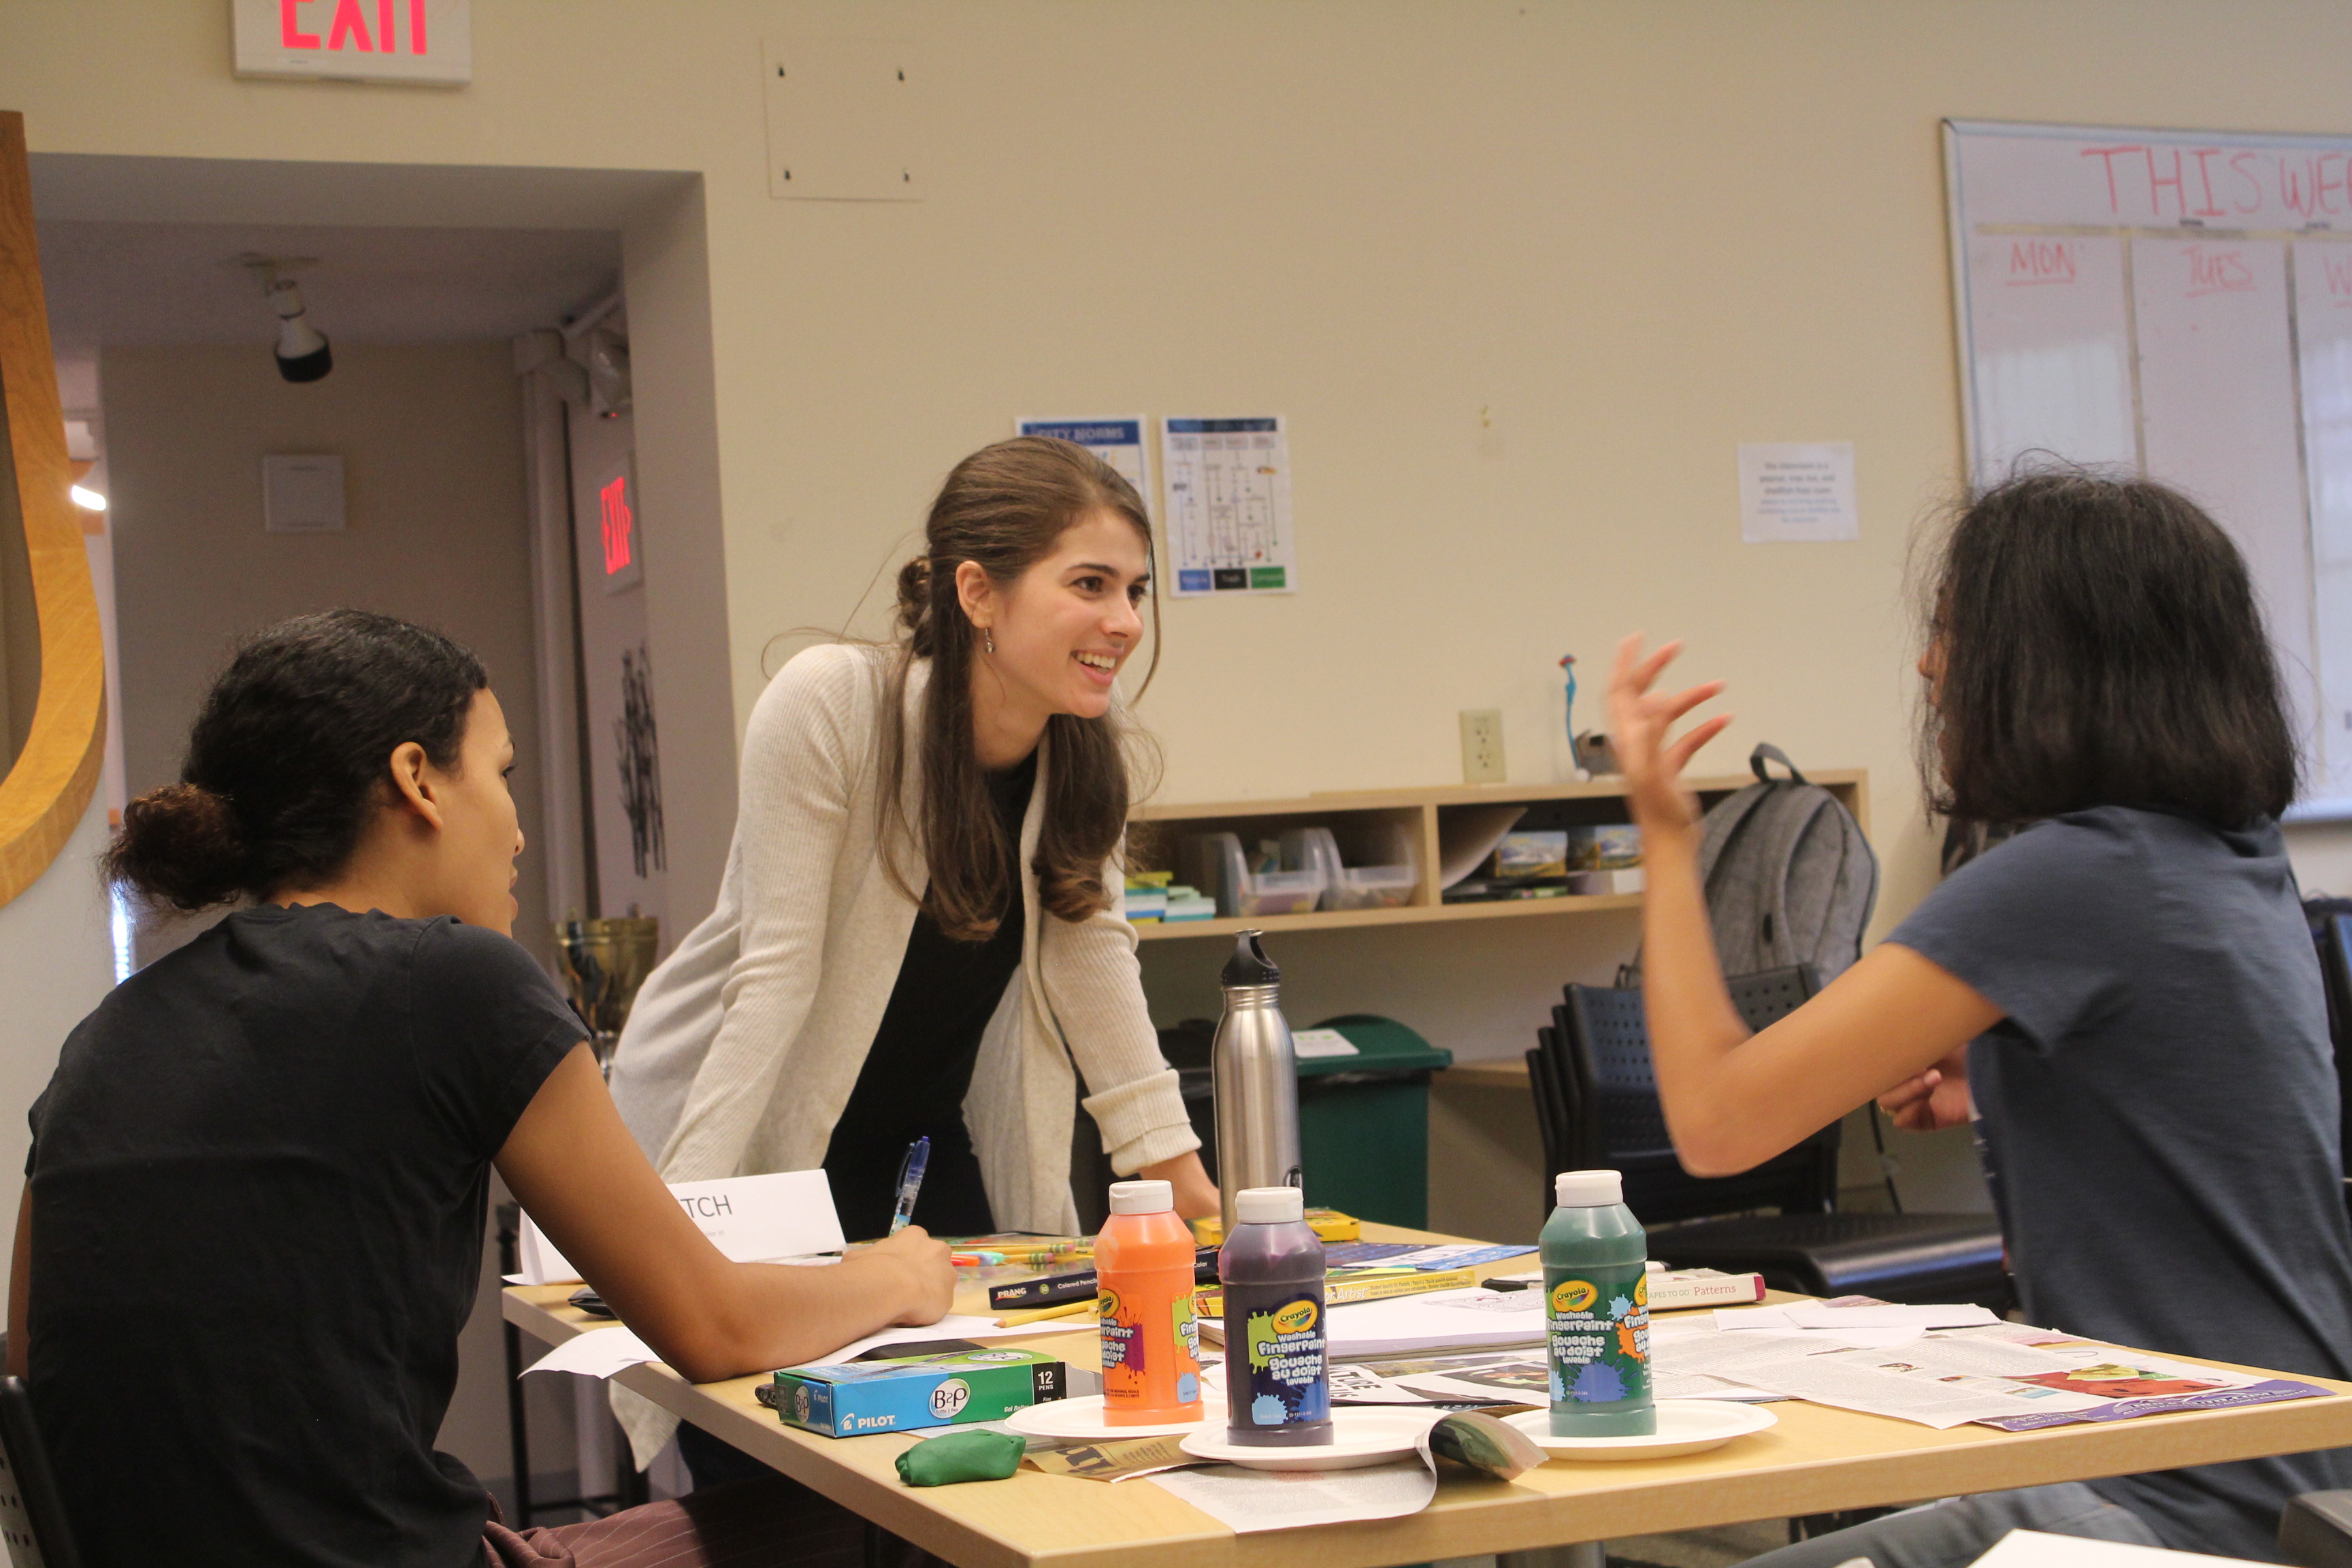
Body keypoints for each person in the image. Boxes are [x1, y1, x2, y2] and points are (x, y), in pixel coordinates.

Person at [11, 610, 956, 1568]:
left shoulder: (107, 1036)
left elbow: (29, 1378)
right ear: (418, 779)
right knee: (904, 1516)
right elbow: (711, 1327)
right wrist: (897, 1277)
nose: (515, 829)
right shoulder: (454, 985)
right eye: (501, 775)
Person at [1607, 471, 2352, 1567]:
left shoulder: (2070, 874)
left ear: (2046, 662)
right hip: (2283, 1475)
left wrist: (1668, 842)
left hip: (2174, 1510)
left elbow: (1719, 1124)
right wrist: (2004, 1080)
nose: (1929, 665)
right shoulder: (2222, 855)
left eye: (1953, 630)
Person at [607, 435, 1213, 1483]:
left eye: (1136, 590)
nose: (1123, 621)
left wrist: (1200, 1205)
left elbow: (1094, 972)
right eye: (1089, 584)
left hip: (924, 1157)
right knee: (783, 1492)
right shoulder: (833, 706)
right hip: (766, 1145)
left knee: (1000, 1455)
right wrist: (680, 1231)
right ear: (979, 592)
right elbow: (774, 980)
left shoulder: (1081, 759)